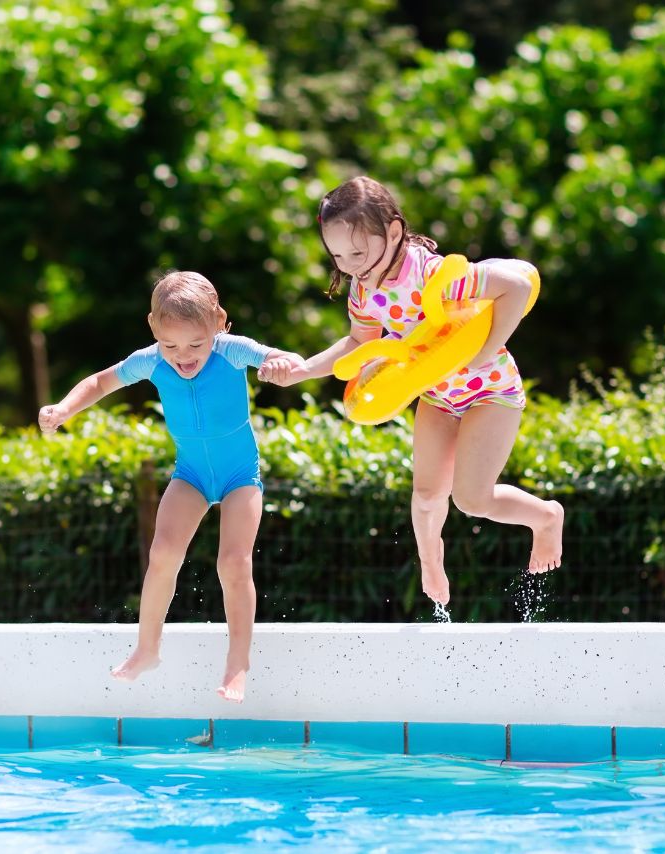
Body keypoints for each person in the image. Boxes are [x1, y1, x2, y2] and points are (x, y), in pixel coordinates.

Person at [260, 176, 563, 608]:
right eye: (338, 255)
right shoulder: (364, 290)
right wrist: (302, 370)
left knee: (472, 498)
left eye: (358, 252)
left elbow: (516, 287)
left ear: (395, 232)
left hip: (489, 390)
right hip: (438, 395)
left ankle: (547, 516)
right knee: (424, 496)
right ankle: (431, 563)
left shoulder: (437, 276)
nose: (348, 265)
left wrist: (488, 349)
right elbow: (358, 343)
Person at [39, 270, 304, 702]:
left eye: (196, 344)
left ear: (218, 323)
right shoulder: (152, 360)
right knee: (162, 553)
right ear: (153, 329)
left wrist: (280, 364)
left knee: (233, 564)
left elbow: (285, 358)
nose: (183, 356)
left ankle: (238, 662)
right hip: (192, 476)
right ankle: (147, 650)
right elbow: (101, 381)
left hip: (240, 477)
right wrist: (65, 408)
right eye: (171, 345)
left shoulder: (232, 351)